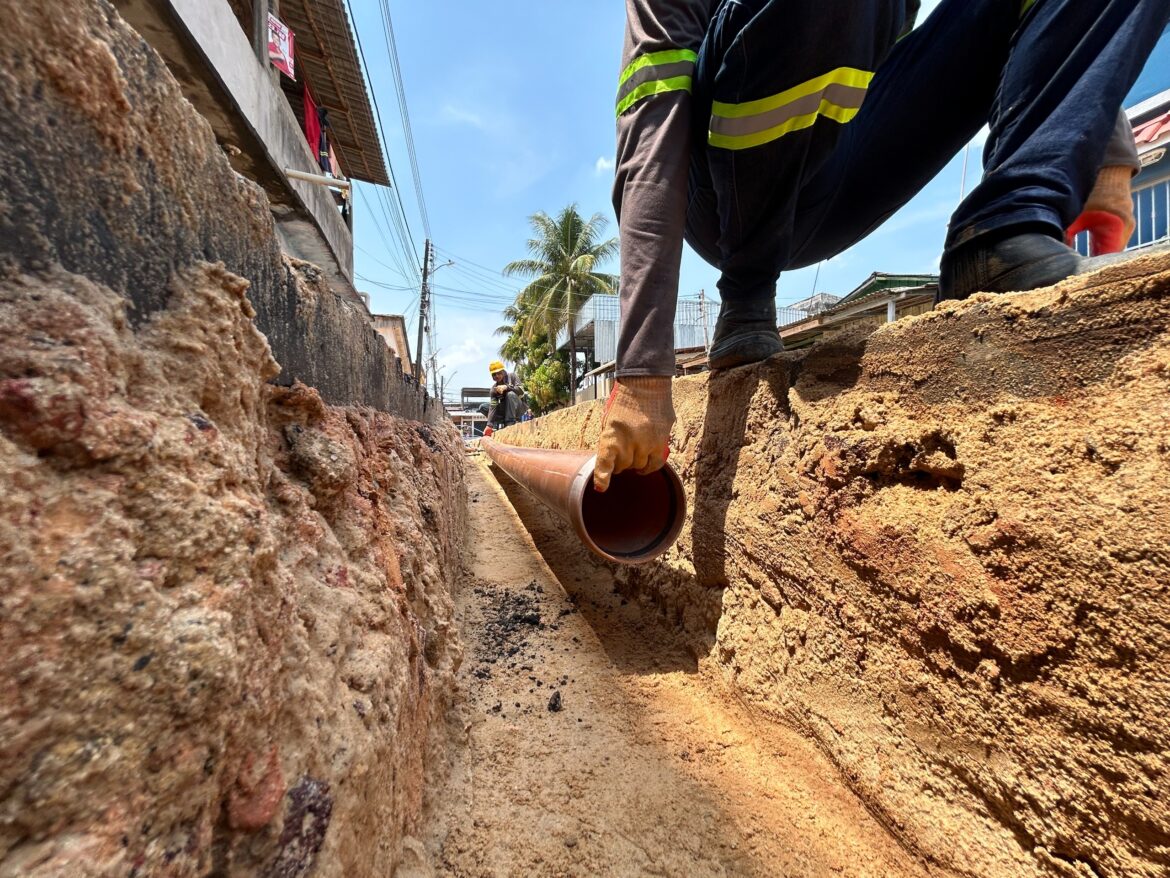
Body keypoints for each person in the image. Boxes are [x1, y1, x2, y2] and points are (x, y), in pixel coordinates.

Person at [593, 0, 1170, 492]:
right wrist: (644, 374)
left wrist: (1103, 151)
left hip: (841, 166)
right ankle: (748, 290)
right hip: (723, 197)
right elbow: (650, 129)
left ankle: (1005, 224)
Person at [487, 360, 528, 430]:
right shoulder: (494, 389)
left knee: (510, 394)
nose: (496, 376)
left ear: (503, 371)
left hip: (519, 407)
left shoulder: (512, 376)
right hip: (506, 410)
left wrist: (507, 387)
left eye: (498, 373)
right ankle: (499, 423)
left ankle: (510, 423)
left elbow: (521, 391)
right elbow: (493, 406)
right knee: (484, 407)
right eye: (494, 374)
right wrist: (489, 425)